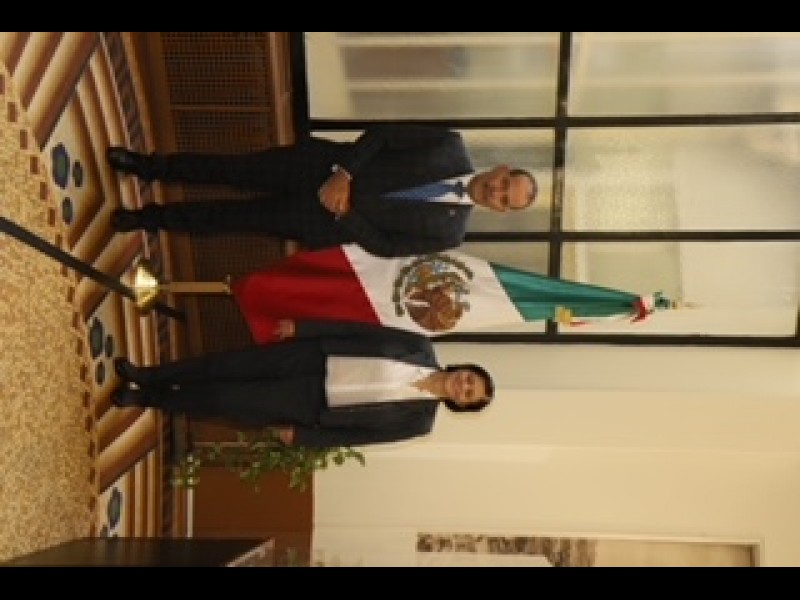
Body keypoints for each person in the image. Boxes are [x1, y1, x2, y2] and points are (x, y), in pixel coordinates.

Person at [106, 124, 538, 257]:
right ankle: (147, 166)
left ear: (501, 211)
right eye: (505, 183)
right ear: (500, 169)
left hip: (323, 222)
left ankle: (147, 219)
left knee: (233, 219)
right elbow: (383, 135)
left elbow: (388, 247)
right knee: (230, 170)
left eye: (505, 199)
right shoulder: (449, 145)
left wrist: (345, 212)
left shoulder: (450, 235)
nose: (497, 192)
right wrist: (343, 175)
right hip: (317, 166)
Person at [111, 319, 494, 449]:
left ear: (461, 406)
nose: (462, 386)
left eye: (468, 395)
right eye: (469, 380)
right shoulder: (419, 346)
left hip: (308, 403)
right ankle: (148, 375)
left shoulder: (419, 423)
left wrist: (305, 437)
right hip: (311, 357)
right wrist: (304, 328)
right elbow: (359, 331)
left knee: (225, 399)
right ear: (464, 369)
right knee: (224, 365)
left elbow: (359, 438)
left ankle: (147, 399)